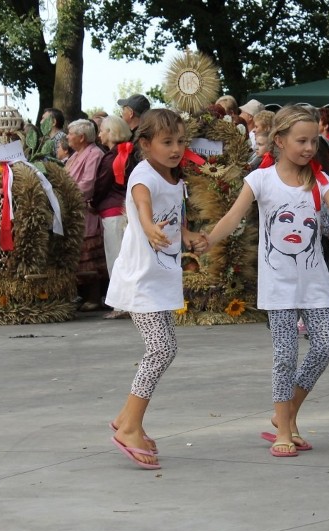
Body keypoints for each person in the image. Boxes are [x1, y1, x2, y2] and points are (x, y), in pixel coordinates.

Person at [203, 106, 329, 457]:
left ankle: (287, 414)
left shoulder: (321, 180)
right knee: (285, 354)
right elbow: (233, 217)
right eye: (301, 141)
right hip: (278, 284)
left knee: (325, 346)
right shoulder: (260, 180)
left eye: (314, 141)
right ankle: (284, 427)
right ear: (279, 141)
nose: (309, 148)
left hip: (315, 283)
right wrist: (207, 241)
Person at [106, 109, 206, 469]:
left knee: (164, 349)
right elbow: (144, 204)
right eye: (167, 142)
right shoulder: (143, 174)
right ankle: (129, 427)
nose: (176, 148)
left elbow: (175, 224)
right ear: (145, 144)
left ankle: (125, 418)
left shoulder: (175, 180)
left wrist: (191, 237)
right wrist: (148, 227)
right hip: (141, 279)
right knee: (161, 349)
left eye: (181, 141)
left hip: (161, 277)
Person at [93, 115, 136, 319]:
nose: (99, 133)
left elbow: (101, 185)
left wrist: (92, 203)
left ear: (110, 132)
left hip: (113, 212)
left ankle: (122, 304)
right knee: (127, 258)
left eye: (102, 130)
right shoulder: (132, 153)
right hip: (129, 210)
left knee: (116, 258)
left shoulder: (112, 157)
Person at [65, 119, 107, 312]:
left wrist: (66, 194)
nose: (67, 136)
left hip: (86, 210)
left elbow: (88, 183)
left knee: (90, 255)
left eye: (70, 133)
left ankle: (94, 296)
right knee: (77, 255)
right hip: (73, 211)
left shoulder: (95, 153)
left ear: (82, 137)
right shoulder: (75, 155)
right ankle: (82, 294)